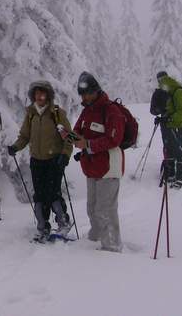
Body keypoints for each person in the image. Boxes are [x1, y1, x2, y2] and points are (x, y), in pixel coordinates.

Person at [62, 72, 125, 253]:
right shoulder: (87, 111)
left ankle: (112, 245)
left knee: (106, 209)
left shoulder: (111, 110)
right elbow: (78, 131)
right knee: (92, 208)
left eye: (88, 93)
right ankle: (95, 238)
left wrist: (87, 144)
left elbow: (114, 139)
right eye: (82, 94)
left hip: (108, 167)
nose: (85, 97)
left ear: (96, 90)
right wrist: (70, 136)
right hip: (91, 167)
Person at [7, 81, 73, 241]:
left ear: (48, 95)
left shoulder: (57, 114)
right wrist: (16, 147)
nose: (39, 97)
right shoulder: (31, 114)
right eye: (36, 94)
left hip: (54, 160)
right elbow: (24, 136)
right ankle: (43, 227)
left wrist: (65, 155)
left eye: (42, 93)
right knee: (39, 196)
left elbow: (69, 137)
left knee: (53, 193)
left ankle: (63, 222)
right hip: (36, 161)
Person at [153, 71, 182, 189]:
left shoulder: (178, 91)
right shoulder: (167, 91)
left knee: (180, 148)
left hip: (179, 126)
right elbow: (168, 109)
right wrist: (163, 118)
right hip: (171, 126)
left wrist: (168, 119)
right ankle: (172, 173)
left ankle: (180, 174)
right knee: (172, 148)